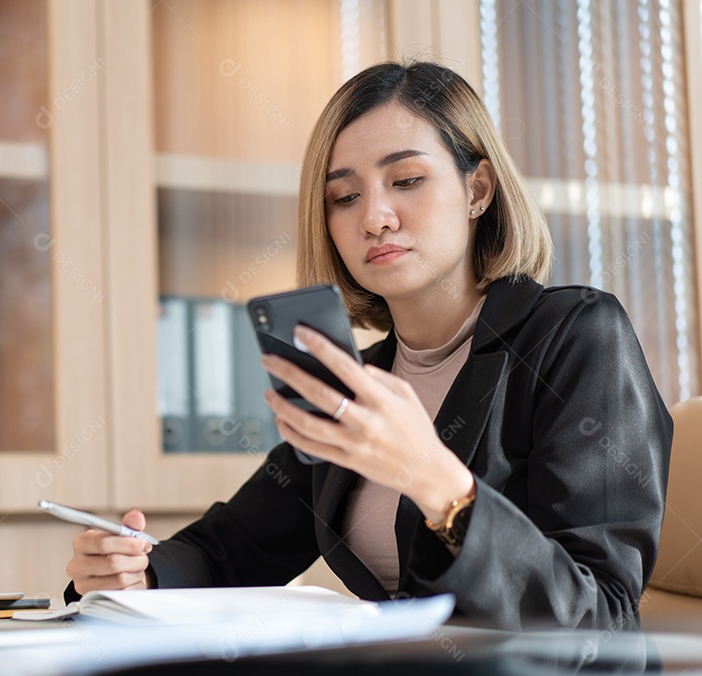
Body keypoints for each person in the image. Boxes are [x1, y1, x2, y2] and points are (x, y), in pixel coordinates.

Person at [65, 61, 673, 631]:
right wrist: (135, 573)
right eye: (344, 196)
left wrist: (433, 478)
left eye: (406, 180)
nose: (375, 217)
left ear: (478, 191)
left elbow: (603, 615)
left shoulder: (576, 335)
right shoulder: (360, 380)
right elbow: (233, 550)